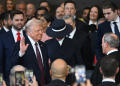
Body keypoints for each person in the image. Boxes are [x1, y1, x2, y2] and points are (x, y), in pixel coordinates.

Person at [11, 19, 51, 86]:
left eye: (41, 30)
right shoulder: (20, 44)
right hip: (27, 83)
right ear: (29, 32)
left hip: (45, 83)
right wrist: (21, 53)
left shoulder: (43, 45)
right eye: (37, 31)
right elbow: (13, 64)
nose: (41, 33)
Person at [45, 19, 83, 84]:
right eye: (56, 34)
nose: (58, 36)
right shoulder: (47, 44)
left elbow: (80, 64)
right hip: (53, 80)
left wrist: (80, 82)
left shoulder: (73, 43)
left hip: (70, 79)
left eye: (59, 34)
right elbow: (45, 65)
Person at [0, 10, 26, 85]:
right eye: (17, 20)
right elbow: (0, 60)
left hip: (26, 75)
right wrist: (1, 81)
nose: (19, 22)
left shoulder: (28, 35)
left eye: (21, 20)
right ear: (11, 21)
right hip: (9, 76)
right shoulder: (3, 37)